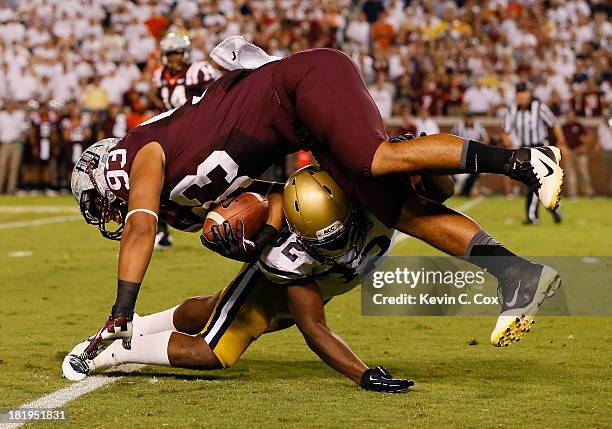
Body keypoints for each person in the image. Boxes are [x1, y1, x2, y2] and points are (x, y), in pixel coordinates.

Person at [71, 46, 564, 360]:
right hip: (300, 120)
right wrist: (257, 238)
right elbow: (269, 198)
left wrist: (122, 309)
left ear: (104, 173)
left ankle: (525, 161)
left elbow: (138, 230)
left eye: (99, 201)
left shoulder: (143, 153)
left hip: (303, 84)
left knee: (375, 158)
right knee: (401, 211)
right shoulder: (181, 203)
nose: (107, 212)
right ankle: (516, 274)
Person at [64, 167, 415, 393]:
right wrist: (362, 374)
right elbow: (314, 327)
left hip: (312, 274)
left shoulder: (374, 201)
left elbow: (424, 179)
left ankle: (140, 326)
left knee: (217, 306)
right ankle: (113, 352)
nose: (333, 246)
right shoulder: (291, 259)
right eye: (321, 241)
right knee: (214, 351)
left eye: (336, 237)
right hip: (283, 279)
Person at [150, 32, 218, 251]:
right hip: (173, 135)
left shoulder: (198, 71)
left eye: (179, 53)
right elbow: (158, 99)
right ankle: (162, 232)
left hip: (199, 132)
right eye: (171, 54)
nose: (175, 58)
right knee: (158, 180)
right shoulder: (159, 74)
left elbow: (217, 96)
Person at [501, 82, 567, 224]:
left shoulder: (539, 107)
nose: (521, 99)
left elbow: (553, 123)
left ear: (529, 95)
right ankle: (553, 208)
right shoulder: (512, 110)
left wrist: (561, 141)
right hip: (523, 150)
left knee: (535, 183)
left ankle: (532, 217)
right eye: (518, 97)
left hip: (539, 148)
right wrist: (510, 148)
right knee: (537, 184)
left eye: (523, 96)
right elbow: (505, 132)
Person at [451, 112, 489, 197]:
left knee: (475, 171)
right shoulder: (458, 127)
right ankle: (455, 188)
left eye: (470, 118)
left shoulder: (478, 127)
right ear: (464, 119)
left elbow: (486, 139)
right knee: (454, 170)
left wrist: (478, 147)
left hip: (473, 154)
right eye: (467, 118)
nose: (469, 120)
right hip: (460, 153)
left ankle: (466, 190)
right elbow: (452, 138)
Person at [562, 110, 594, 198]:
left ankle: (588, 193)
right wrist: (564, 149)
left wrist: (584, 147)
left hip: (580, 152)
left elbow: (588, 137)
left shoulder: (579, 126)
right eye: (568, 116)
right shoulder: (563, 127)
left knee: (583, 172)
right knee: (570, 173)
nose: (570, 118)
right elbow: (560, 140)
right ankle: (573, 194)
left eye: (571, 116)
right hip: (569, 152)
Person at [0, 100, 28, 194]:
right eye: (9, 105)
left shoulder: (19, 115)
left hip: (17, 143)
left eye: (12, 105)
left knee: (14, 167)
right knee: (2, 166)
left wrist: (21, 139)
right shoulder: (2, 115)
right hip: (5, 143)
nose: (11, 106)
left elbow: (24, 127)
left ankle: (10, 189)